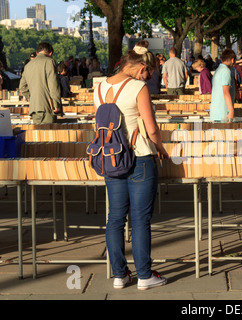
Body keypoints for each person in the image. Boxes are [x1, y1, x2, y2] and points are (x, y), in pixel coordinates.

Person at [93, 40, 169, 290]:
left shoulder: (100, 86)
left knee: (115, 218)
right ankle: (145, 275)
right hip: (139, 157)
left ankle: (119, 274)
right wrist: (160, 147)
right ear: (139, 68)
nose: (148, 77)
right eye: (148, 72)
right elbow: (151, 126)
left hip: (111, 157)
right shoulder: (138, 87)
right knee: (139, 219)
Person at [19, 42, 61, 124]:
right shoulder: (49, 62)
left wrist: (33, 97)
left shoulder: (28, 66)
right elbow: (53, 85)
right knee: (48, 135)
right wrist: (56, 104)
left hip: (34, 107)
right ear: (50, 53)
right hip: (48, 106)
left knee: (38, 135)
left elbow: (22, 87)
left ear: (37, 53)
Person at [210, 48, 236, 122]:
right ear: (232, 60)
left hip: (217, 112)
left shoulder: (219, 70)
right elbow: (226, 92)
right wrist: (231, 110)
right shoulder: (226, 71)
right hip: (223, 112)